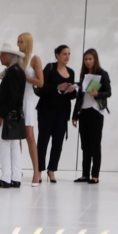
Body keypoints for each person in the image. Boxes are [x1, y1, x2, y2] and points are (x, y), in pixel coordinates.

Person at [35, 44, 76, 181]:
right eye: (64, 54)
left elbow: (72, 96)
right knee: (43, 141)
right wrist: (58, 87)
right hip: (46, 110)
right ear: (57, 55)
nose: (67, 57)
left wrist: (71, 90)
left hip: (62, 112)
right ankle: (39, 170)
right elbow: (41, 87)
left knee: (58, 143)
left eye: (69, 54)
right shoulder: (50, 68)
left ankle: (52, 170)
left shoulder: (71, 72)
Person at [72, 48, 111, 184]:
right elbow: (79, 96)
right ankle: (85, 174)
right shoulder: (84, 75)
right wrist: (75, 115)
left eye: (90, 59)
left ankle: (95, 175)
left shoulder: (102, 74)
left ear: (95, 60)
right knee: (85, 144)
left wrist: (97, 94)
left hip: (96, 111)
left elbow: (108, 92)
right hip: (84, 111)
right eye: (86, 59)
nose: (88, 62)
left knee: (95, 144)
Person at [0, 42, 26, 188]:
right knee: (15, 147)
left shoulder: (12, 73)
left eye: (2, 55)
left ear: (8, 56)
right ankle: (16, 177)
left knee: (4, 146)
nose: (0, 57)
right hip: (17, 115)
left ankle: (6, 178)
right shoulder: (19, 71)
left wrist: (1, 115)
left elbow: (11, 97)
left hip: (8, 115)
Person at [17, 32, 44, 186]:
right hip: (17, 99)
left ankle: (36, 172)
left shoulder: (34, 59)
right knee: (16, 136)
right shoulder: (17, 58)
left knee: (30, 136)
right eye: (18, 42)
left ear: (27, 43)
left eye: (21, 42)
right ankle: (17, 169)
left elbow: (40, 82)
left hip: (27, 99)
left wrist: (23, 77)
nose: (19, 45)